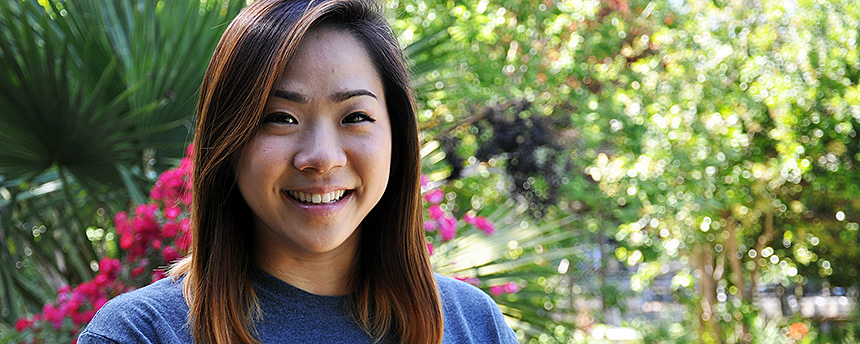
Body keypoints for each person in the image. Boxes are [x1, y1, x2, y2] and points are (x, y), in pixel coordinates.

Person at [77, 0, 518, 343]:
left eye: (355, 117)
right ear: (228, 140)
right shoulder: (142, 333)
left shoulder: (472, 324)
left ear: (397, 138)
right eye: (280, 118)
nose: (322, 157)